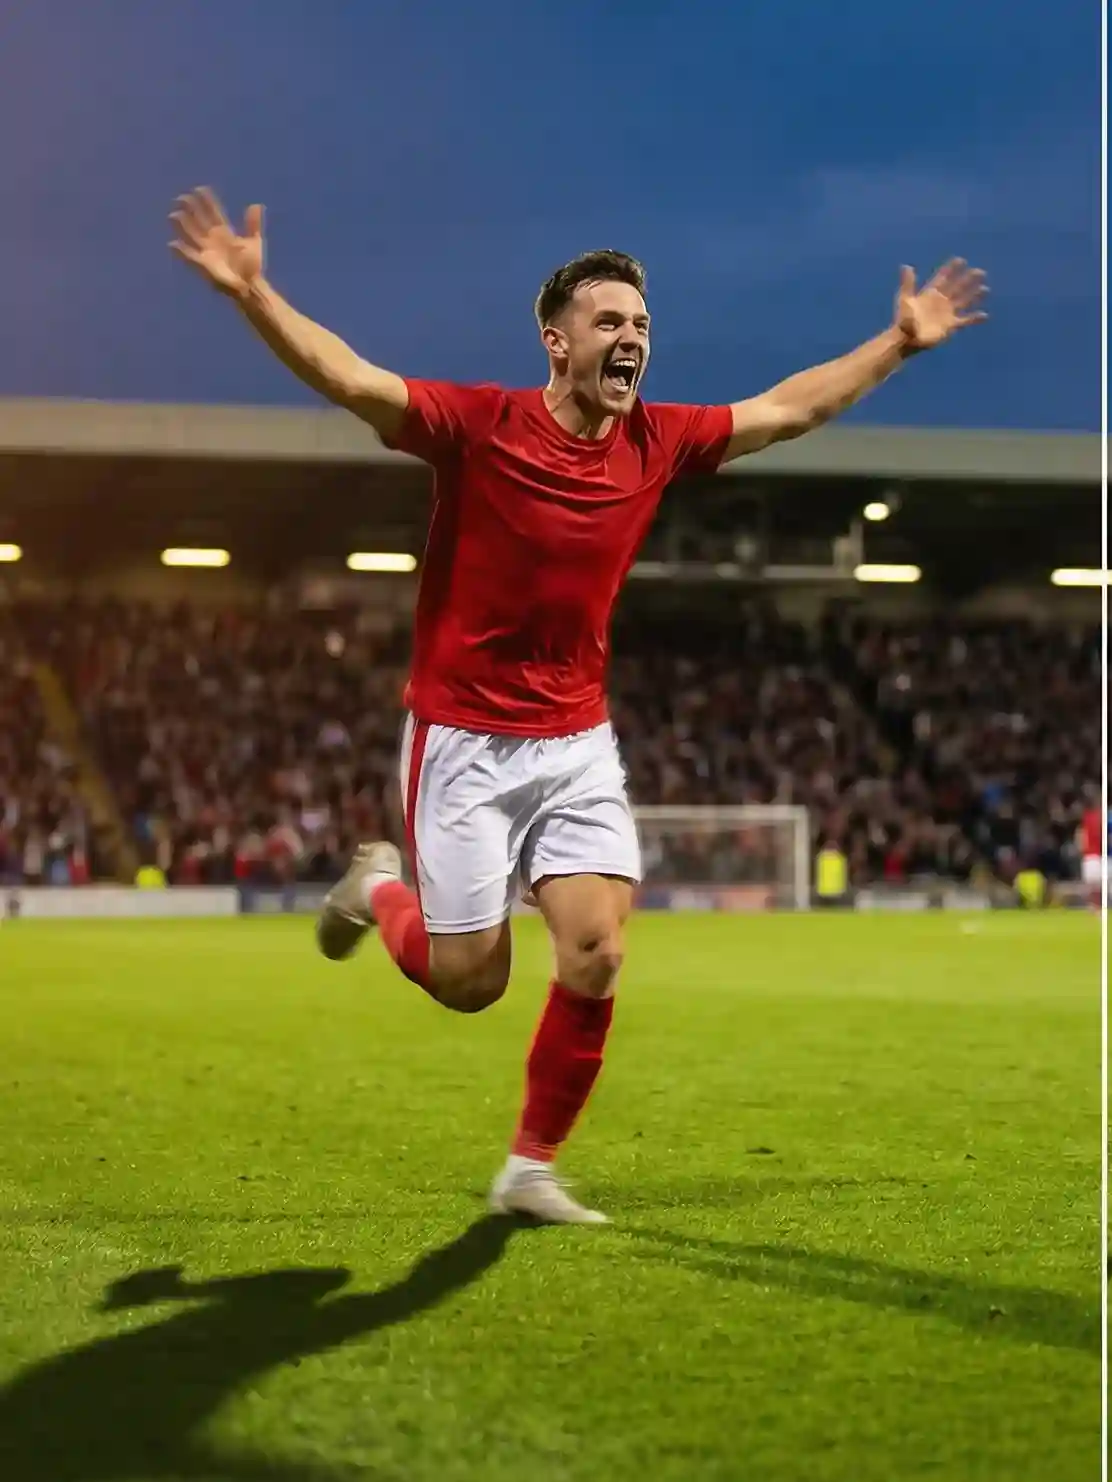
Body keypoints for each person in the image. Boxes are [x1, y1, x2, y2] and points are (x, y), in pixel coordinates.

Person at [167, 187, 987, 1223]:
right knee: (470, 982)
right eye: (611, 322)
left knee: (597, 950)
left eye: (642, 324)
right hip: (462, 740)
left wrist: (896, 345)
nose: (632, 338)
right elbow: (353, 378)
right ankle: (378, 886)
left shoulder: (658, 440)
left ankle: (528, 1168)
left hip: (574, 743)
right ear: (558, 344)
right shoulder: (478, 426)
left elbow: (787, 410)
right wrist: (254, 295)